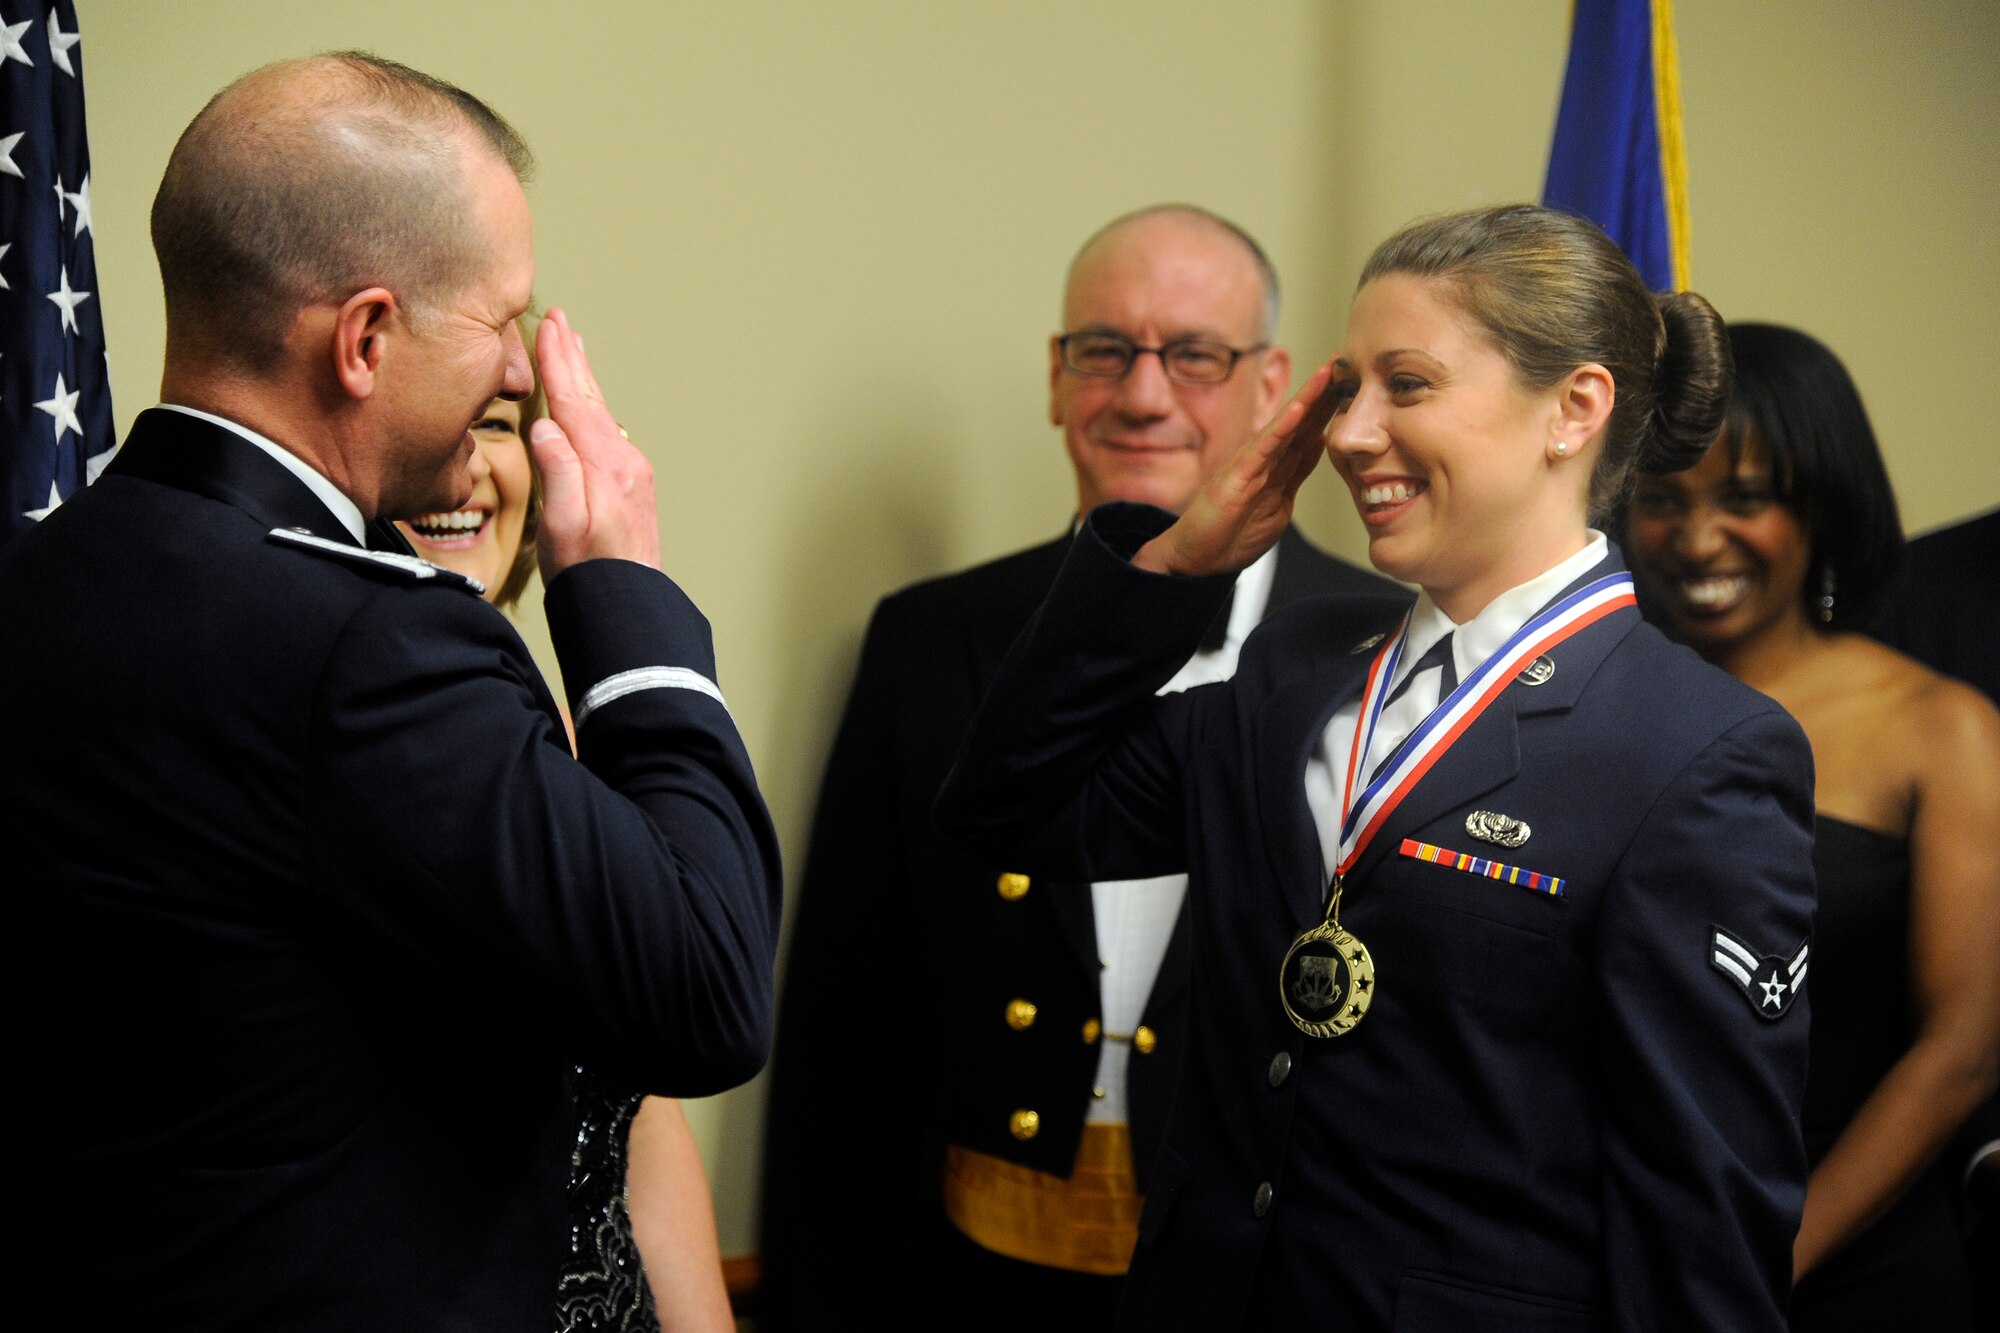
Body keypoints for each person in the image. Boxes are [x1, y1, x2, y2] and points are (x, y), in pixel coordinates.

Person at [0, 53, 781, 1332]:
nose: (523, 371)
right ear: (364, 338)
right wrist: (624, 594)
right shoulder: (368, 645)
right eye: (500, 318)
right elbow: (702, 992)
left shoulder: (53, 574)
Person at [935, 203, 1819, 1331]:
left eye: (1404, 386)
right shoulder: (1297, 664)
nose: (1348, 435)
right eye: (1348, 389)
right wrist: (1170, 567)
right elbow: (1009, 805)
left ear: (1573, 409)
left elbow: (1699, 1223)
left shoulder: (1692, 751)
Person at [758, 205, 1401, 1329]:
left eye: (1194, 354)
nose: (1142, 395)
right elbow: (848, 1027)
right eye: (1103, 351)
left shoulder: (1382, 652)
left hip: (1259, 1290)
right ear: (1056, 381)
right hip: (974, 1289)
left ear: (1274, 386)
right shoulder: (927, 638)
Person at [1625, 324, 2000, 1331]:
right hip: (1615, 1254)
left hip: (1848, 1267)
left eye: (1742, 499)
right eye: (1661, 499)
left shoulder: (1940, 728)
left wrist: (1763, 1261)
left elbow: (1959, 1049)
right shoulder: (1594, 704)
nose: (1696, 538)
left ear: (1819, 500)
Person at [395, 366, 734, 1333]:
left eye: (498, 424)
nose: (467, 469)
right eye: (434, 421)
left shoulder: (598, 744)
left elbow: (647, 1113)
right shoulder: (337, 751)